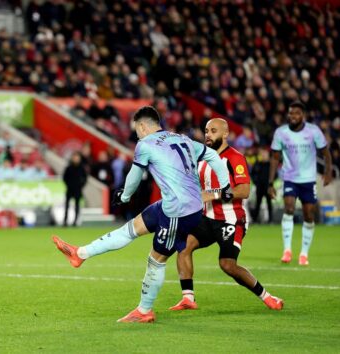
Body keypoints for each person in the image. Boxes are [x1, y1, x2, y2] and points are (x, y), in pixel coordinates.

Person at [52, 106, 232, 323]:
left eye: (136, 130)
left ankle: (144, 311)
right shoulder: (181, 138)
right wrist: (224, 186)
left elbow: (134, 177)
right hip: (180, 206)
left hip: (178, 212)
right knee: (132, 228)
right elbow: (212, 155)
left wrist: (125, 197)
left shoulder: (145, 144)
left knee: (156, 259)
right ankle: (80, 254)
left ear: (143, 126)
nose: (136, 135)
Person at [170, 119, 283, 312]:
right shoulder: (203, 159)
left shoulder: (235, 157)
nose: (207, 134)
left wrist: (213, 194)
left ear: (225, 134)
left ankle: (267, 297)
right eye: (206, 130)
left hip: (231, 219)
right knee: (183, 246)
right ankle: (188, 298)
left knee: (227, 265)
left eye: (213, 131)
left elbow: (244, 190)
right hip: (207, 218)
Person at [269, 101, 333, 265]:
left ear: (302, 115)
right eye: (291, 113)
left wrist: (327, 172)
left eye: (296, 113)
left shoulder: (313, 131)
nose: (293, 116)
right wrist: (270, 183)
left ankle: (304, 253)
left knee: (308, 215)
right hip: (290, 178)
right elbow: (275, 157)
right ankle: (287, 250)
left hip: (308, 180)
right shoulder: (281, 133)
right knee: (289, 208)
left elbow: (325, 153)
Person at [62, 152, 87, 227]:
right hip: (69, 189)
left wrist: (81, 185)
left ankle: (75, 222)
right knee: (67, 206)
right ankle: (65, 221)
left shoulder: (82, 168)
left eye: (77, 158)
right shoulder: (68, 168)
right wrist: (68, 185)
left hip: (78, 190)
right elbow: (64, 178)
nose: (76, 159)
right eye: (75, 157)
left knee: (77, 206)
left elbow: (85, 178)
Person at [250, 146, 272, 223]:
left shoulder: (271, 164)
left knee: (269, 203)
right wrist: (255, 182)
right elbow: (252, 174)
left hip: (268, 187)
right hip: (259, 187)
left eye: (265, 154)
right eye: (262, 154)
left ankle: (270, 220)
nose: (263, 155)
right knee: (258, 203)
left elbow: (275, 175)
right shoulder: (257, 164)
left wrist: (271, 183)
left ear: (268, 155)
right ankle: (255, 220)